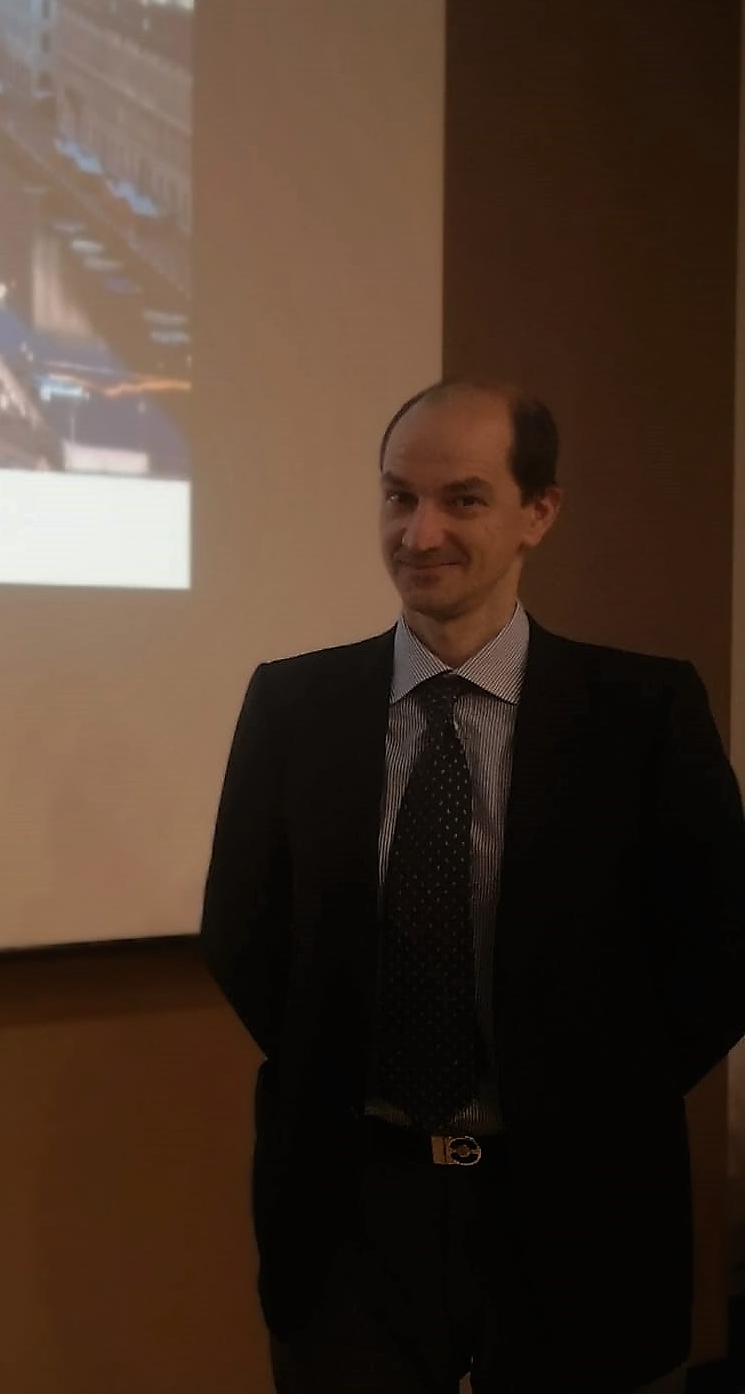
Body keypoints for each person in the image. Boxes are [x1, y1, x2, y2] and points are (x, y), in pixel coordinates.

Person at [202, 379, 745, 1394]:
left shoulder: (639, 711)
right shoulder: (292, 704)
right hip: (352, 1208)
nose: (419, 532)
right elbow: (241, 933)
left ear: (537, 511)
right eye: (395, 497)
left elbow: (721, 946)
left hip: (573, 1201)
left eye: (461, 498)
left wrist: (594, 1089)